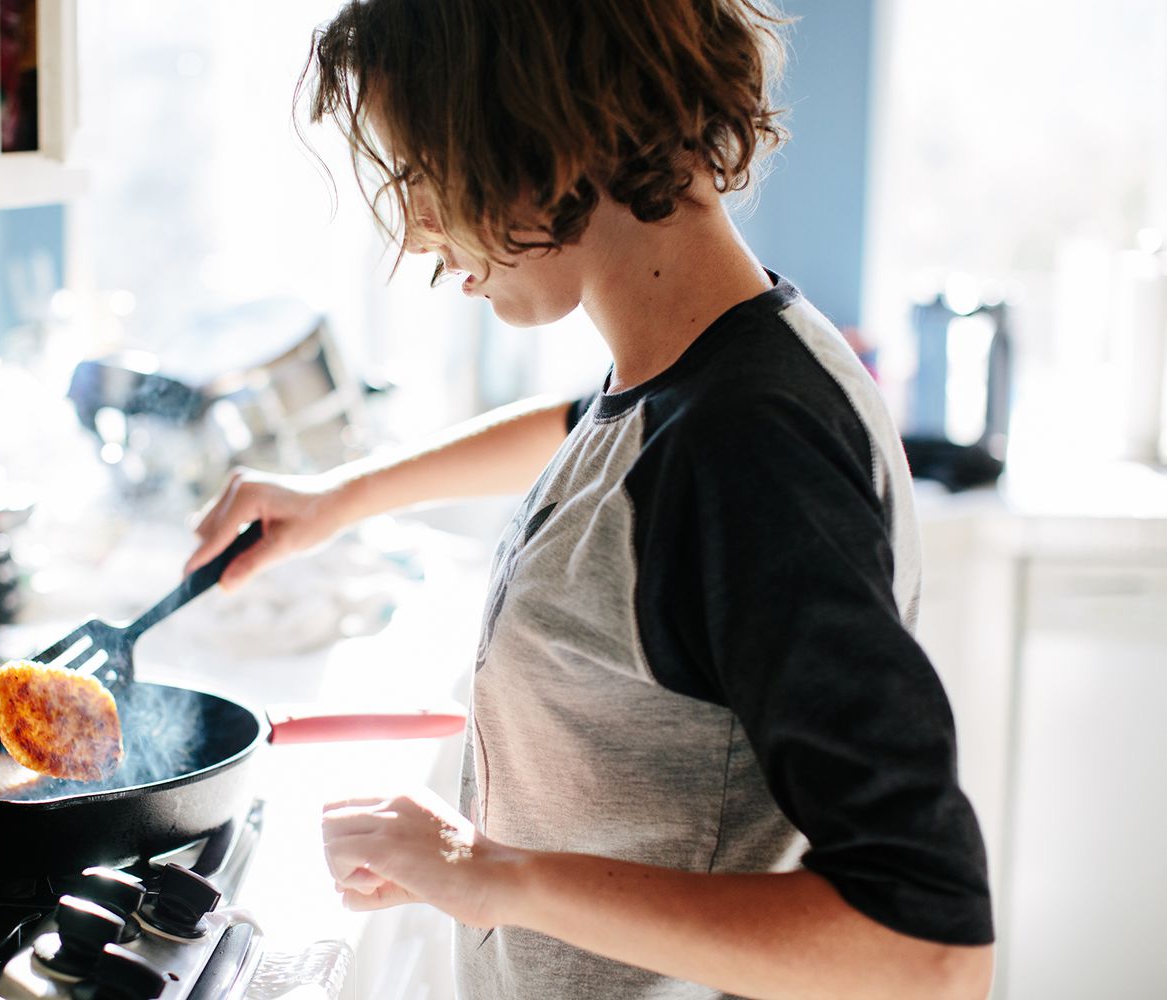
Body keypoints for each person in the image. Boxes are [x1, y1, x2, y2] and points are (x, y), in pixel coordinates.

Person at [185, 0, 995, 997]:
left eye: (420, 172)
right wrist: (343, 495)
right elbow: (591, 430)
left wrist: (490, 875)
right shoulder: (705, 371)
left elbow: (925, 949)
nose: (418, 233)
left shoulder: (752, 448)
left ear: (540, 137)